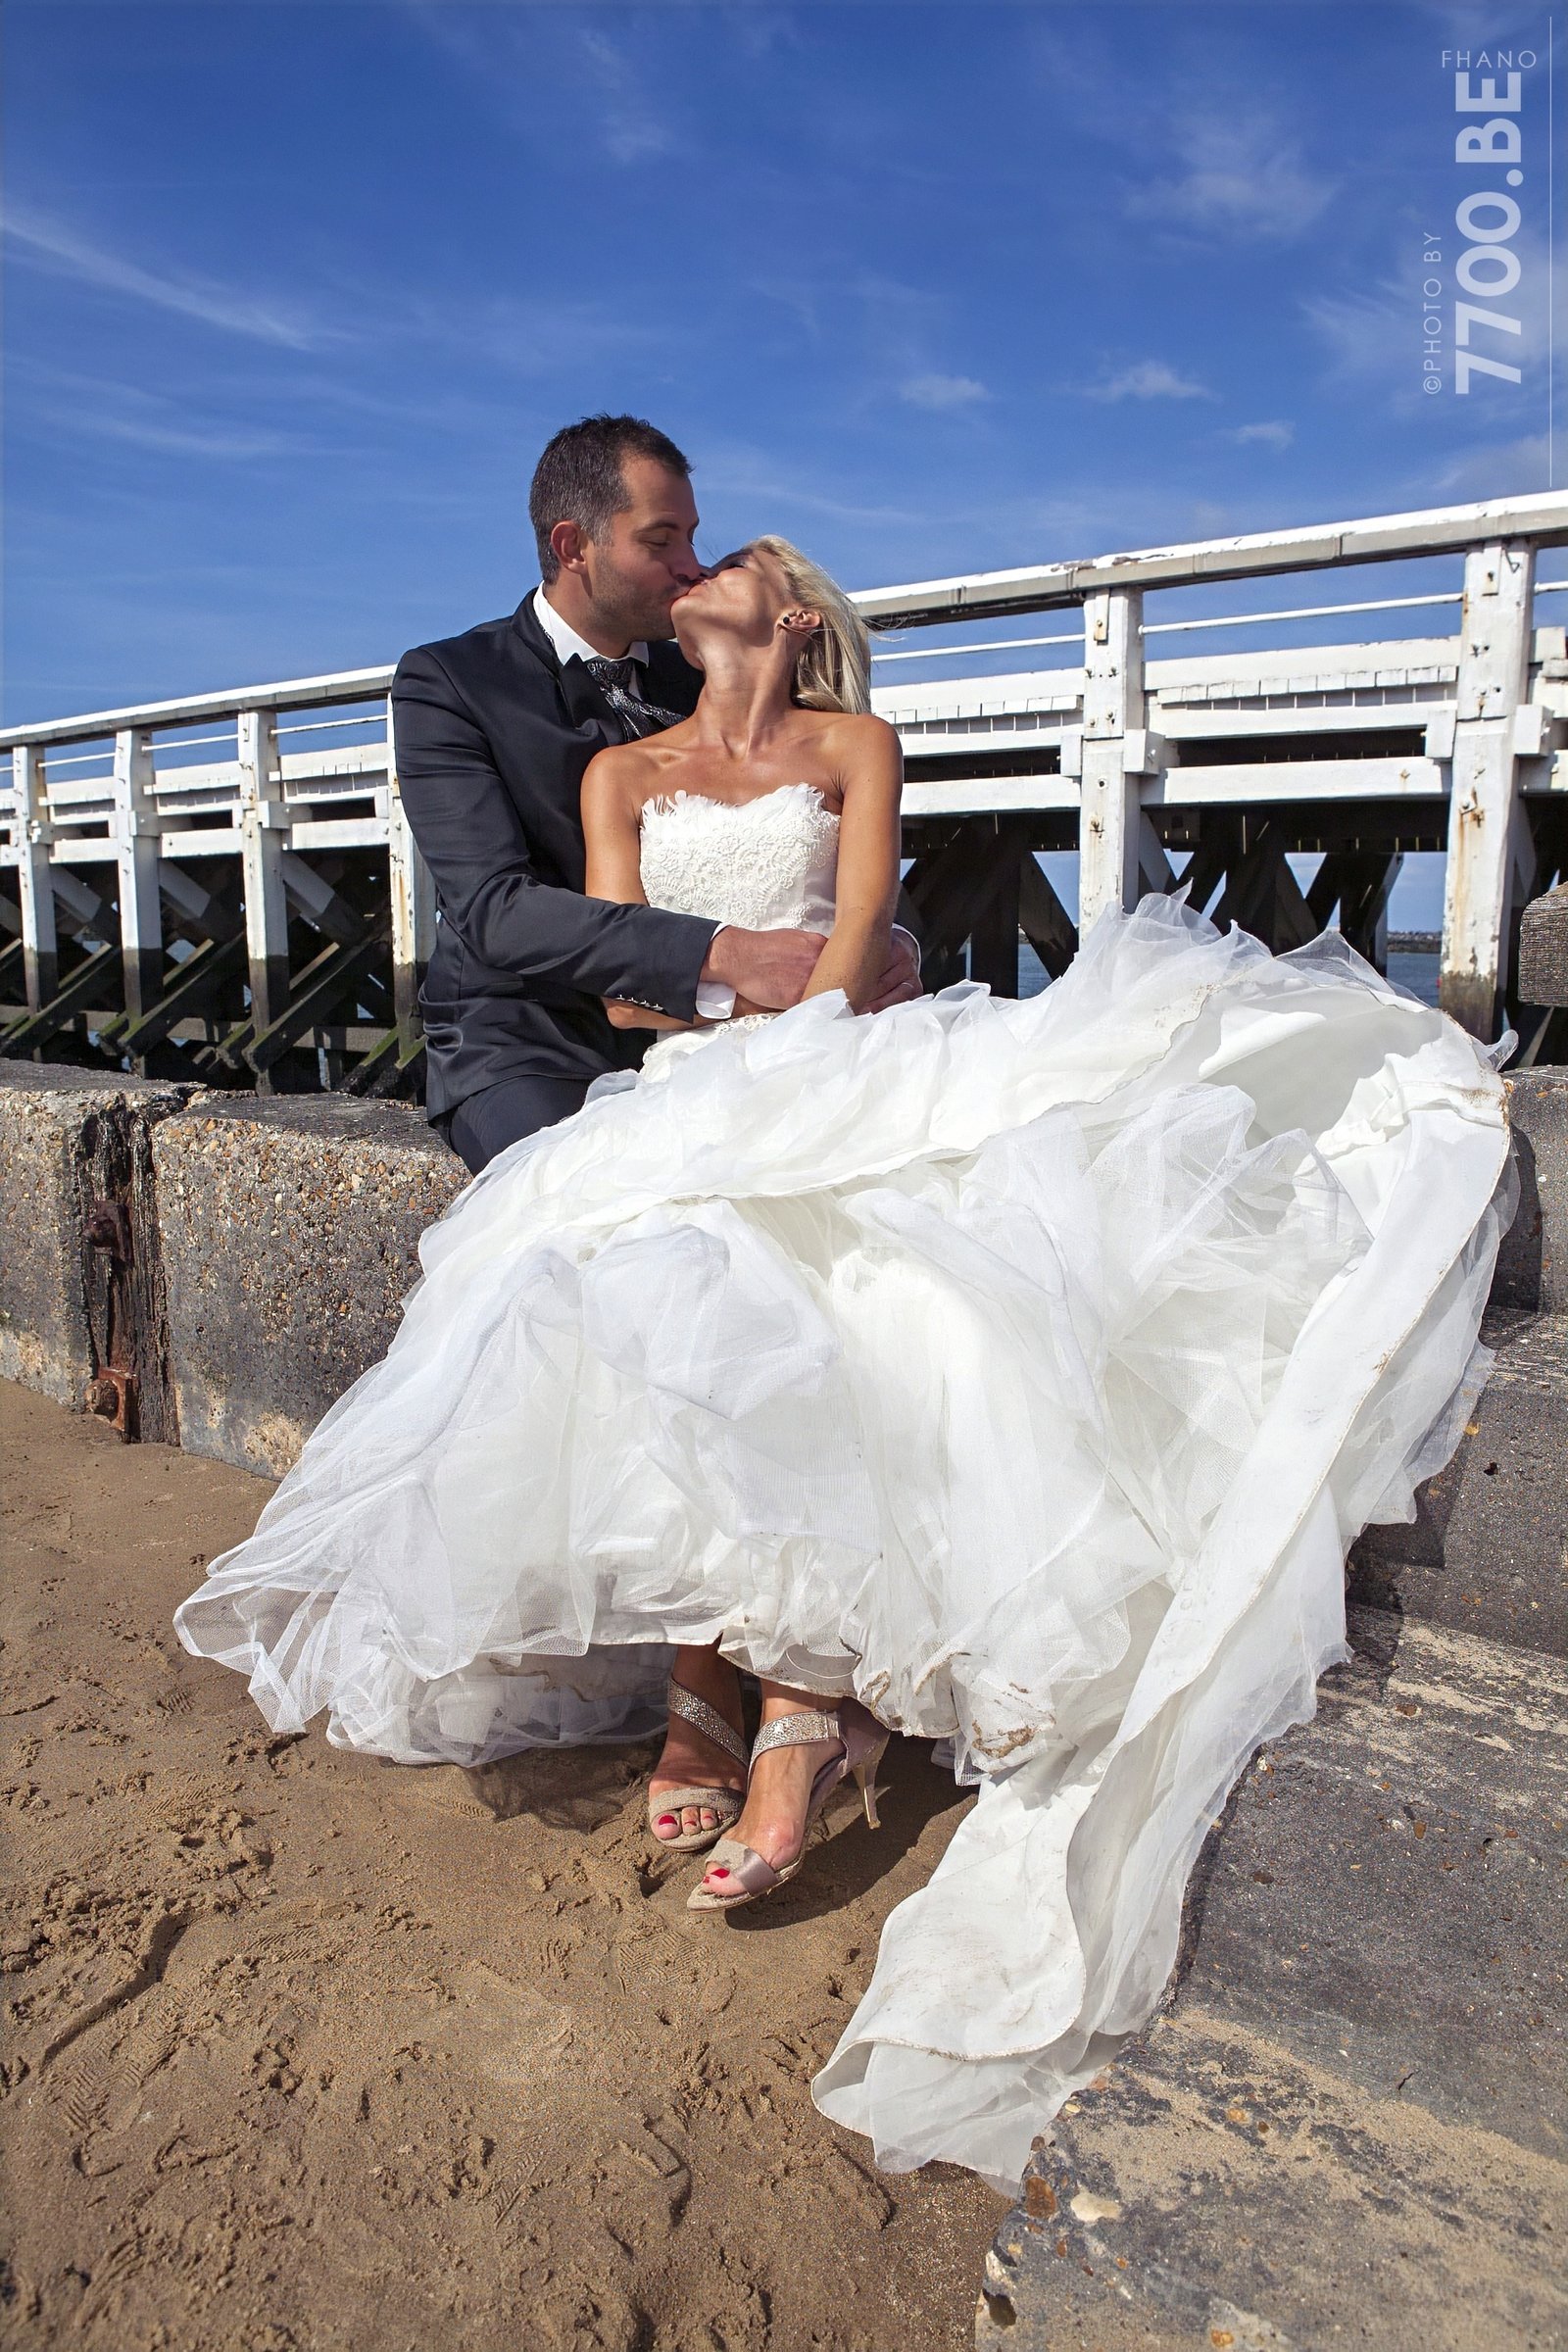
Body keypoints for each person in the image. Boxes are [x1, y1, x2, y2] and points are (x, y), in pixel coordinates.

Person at [174, 531, 1513, 2192]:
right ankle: (712, 1677)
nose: (694, 569)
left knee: (859, 1280)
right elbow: (622, 998)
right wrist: (739, 1007)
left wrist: (782, 1008)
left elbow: (865, 941)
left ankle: (787, 1701)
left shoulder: (855, 747)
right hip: (704, 1076)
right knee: (641, 1287)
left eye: (724, 557)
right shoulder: (619, 766)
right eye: (676, 545)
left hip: (844, 1061)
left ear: (792, 614)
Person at [390, 412, 920, 1175]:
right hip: (533, 1038)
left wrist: (896, 946)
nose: (691, 567)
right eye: (660, 540)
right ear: (574, 547)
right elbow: (495, 907)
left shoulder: (709, 666)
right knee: (581, 1218)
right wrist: (724, 955)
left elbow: (833, 841)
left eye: (695, 538)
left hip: (733, 1037)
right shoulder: (451, 683)